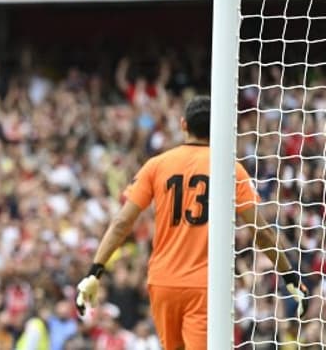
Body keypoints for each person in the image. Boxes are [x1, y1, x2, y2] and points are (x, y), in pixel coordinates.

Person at [75, 95, 309, 350]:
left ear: (183, 124)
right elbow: (260, 231)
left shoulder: (156, 165)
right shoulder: (231, 168)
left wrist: (95, 271)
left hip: (163, 282)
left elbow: (122, 222)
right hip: (204, 285)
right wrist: (289, 274)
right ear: (219, 126)